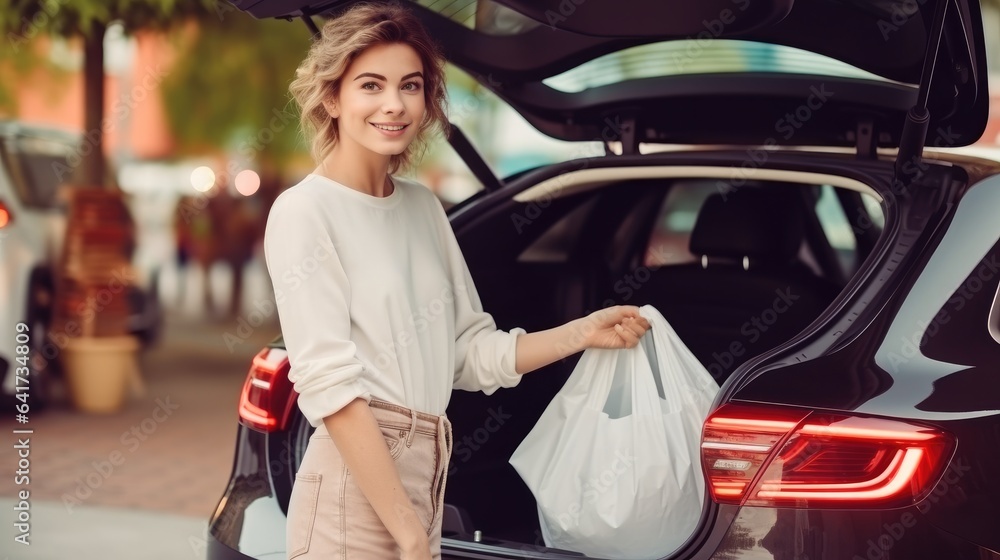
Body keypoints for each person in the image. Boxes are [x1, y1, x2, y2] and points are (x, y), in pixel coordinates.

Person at [262, 4, 653, 560]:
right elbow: (333, 390)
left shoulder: (422, 208)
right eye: (370, 85)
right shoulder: (305, 212)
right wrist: (408, 531)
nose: (393, 104)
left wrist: (581, 332)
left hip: (424, 477)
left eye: (410, 85)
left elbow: (469, 354)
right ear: (332, 97)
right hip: (353, 492)